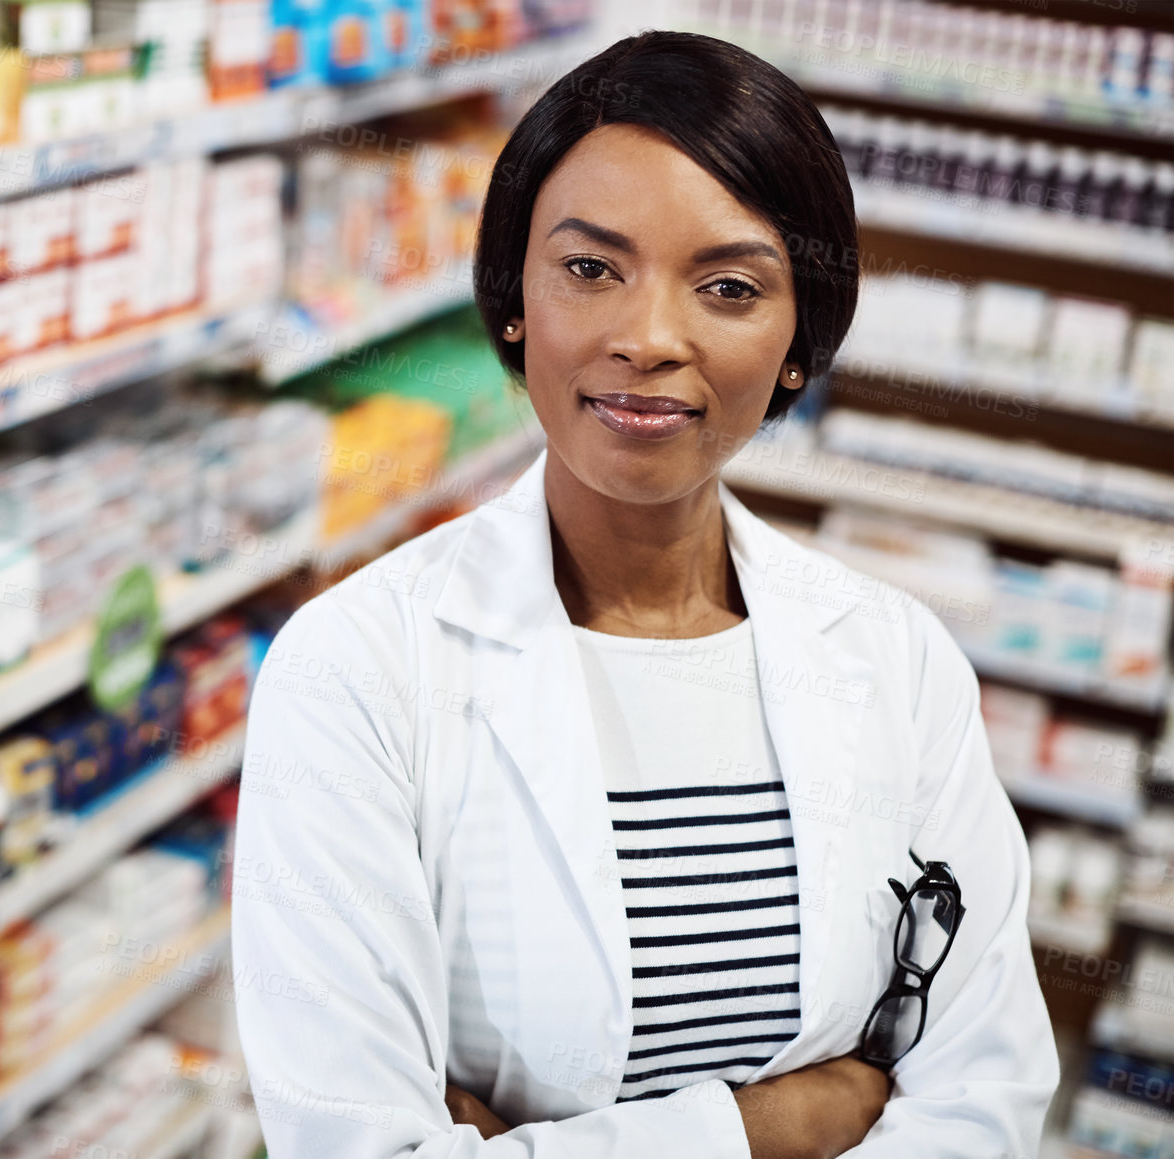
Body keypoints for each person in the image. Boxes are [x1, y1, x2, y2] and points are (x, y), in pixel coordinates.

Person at [230, 29, 1058, 1159]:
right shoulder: (357, 668)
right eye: (589, 268)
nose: (648, 339)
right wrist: (771, 1124)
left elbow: (982, 1105)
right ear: (512, 298)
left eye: (727, 287)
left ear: (796, 346)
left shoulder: (894, 659)